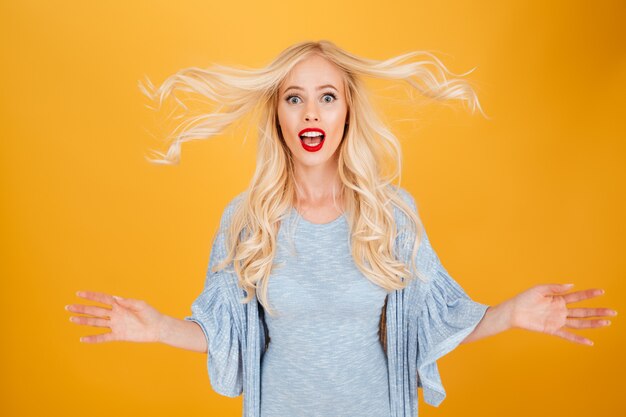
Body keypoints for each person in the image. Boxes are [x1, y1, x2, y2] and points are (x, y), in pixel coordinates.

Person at [65, 40, 616, 417]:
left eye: (326, 97)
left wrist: (513, 314)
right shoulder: (246, 219)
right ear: (277, 114)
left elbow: (436, 325)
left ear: (346, 110)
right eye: (294, 98)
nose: (311, 114)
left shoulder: (391, 213)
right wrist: (158, 327)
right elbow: (225, 335)